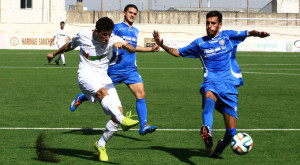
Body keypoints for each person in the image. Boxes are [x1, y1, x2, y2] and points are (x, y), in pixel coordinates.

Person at [152, 11, 270, 158]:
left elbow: (248, 32)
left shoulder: (228, 36)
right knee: (208, 97)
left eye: (213, 23)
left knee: (231, 132)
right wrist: (161, 44)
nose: (209, 26)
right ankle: (207, 130)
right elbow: (177, 52)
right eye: (207, 23)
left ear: (220, 24)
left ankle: (217, 150)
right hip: (211, 82)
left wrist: (258, 33)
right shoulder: (199, 43)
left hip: (229, 86)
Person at [47, 17, 139, 162]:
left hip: (103, 77)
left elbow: (132, 49)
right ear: (96, 31)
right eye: (104, 34)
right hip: (85, 76)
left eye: (109, 34)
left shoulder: (112, 38)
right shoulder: (83, 35)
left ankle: (101, 144)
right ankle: (124, 120)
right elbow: (69, 46)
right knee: (103, 94)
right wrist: (54, 53)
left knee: (117, 114)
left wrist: (124, 46)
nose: (107, 38)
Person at [70, 4, 159, 136]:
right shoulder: (116, 28)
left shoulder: (135, 30)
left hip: (130, 70)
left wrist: (150, 49)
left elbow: (133, 47)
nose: (132, 15)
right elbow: (107, 41)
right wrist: (116, 43)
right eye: (130, 13)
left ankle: (143, 125)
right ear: (124, 13)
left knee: (141, 94)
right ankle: (83, 97)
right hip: (114, 69)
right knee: (101, 93)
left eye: (135, 13)